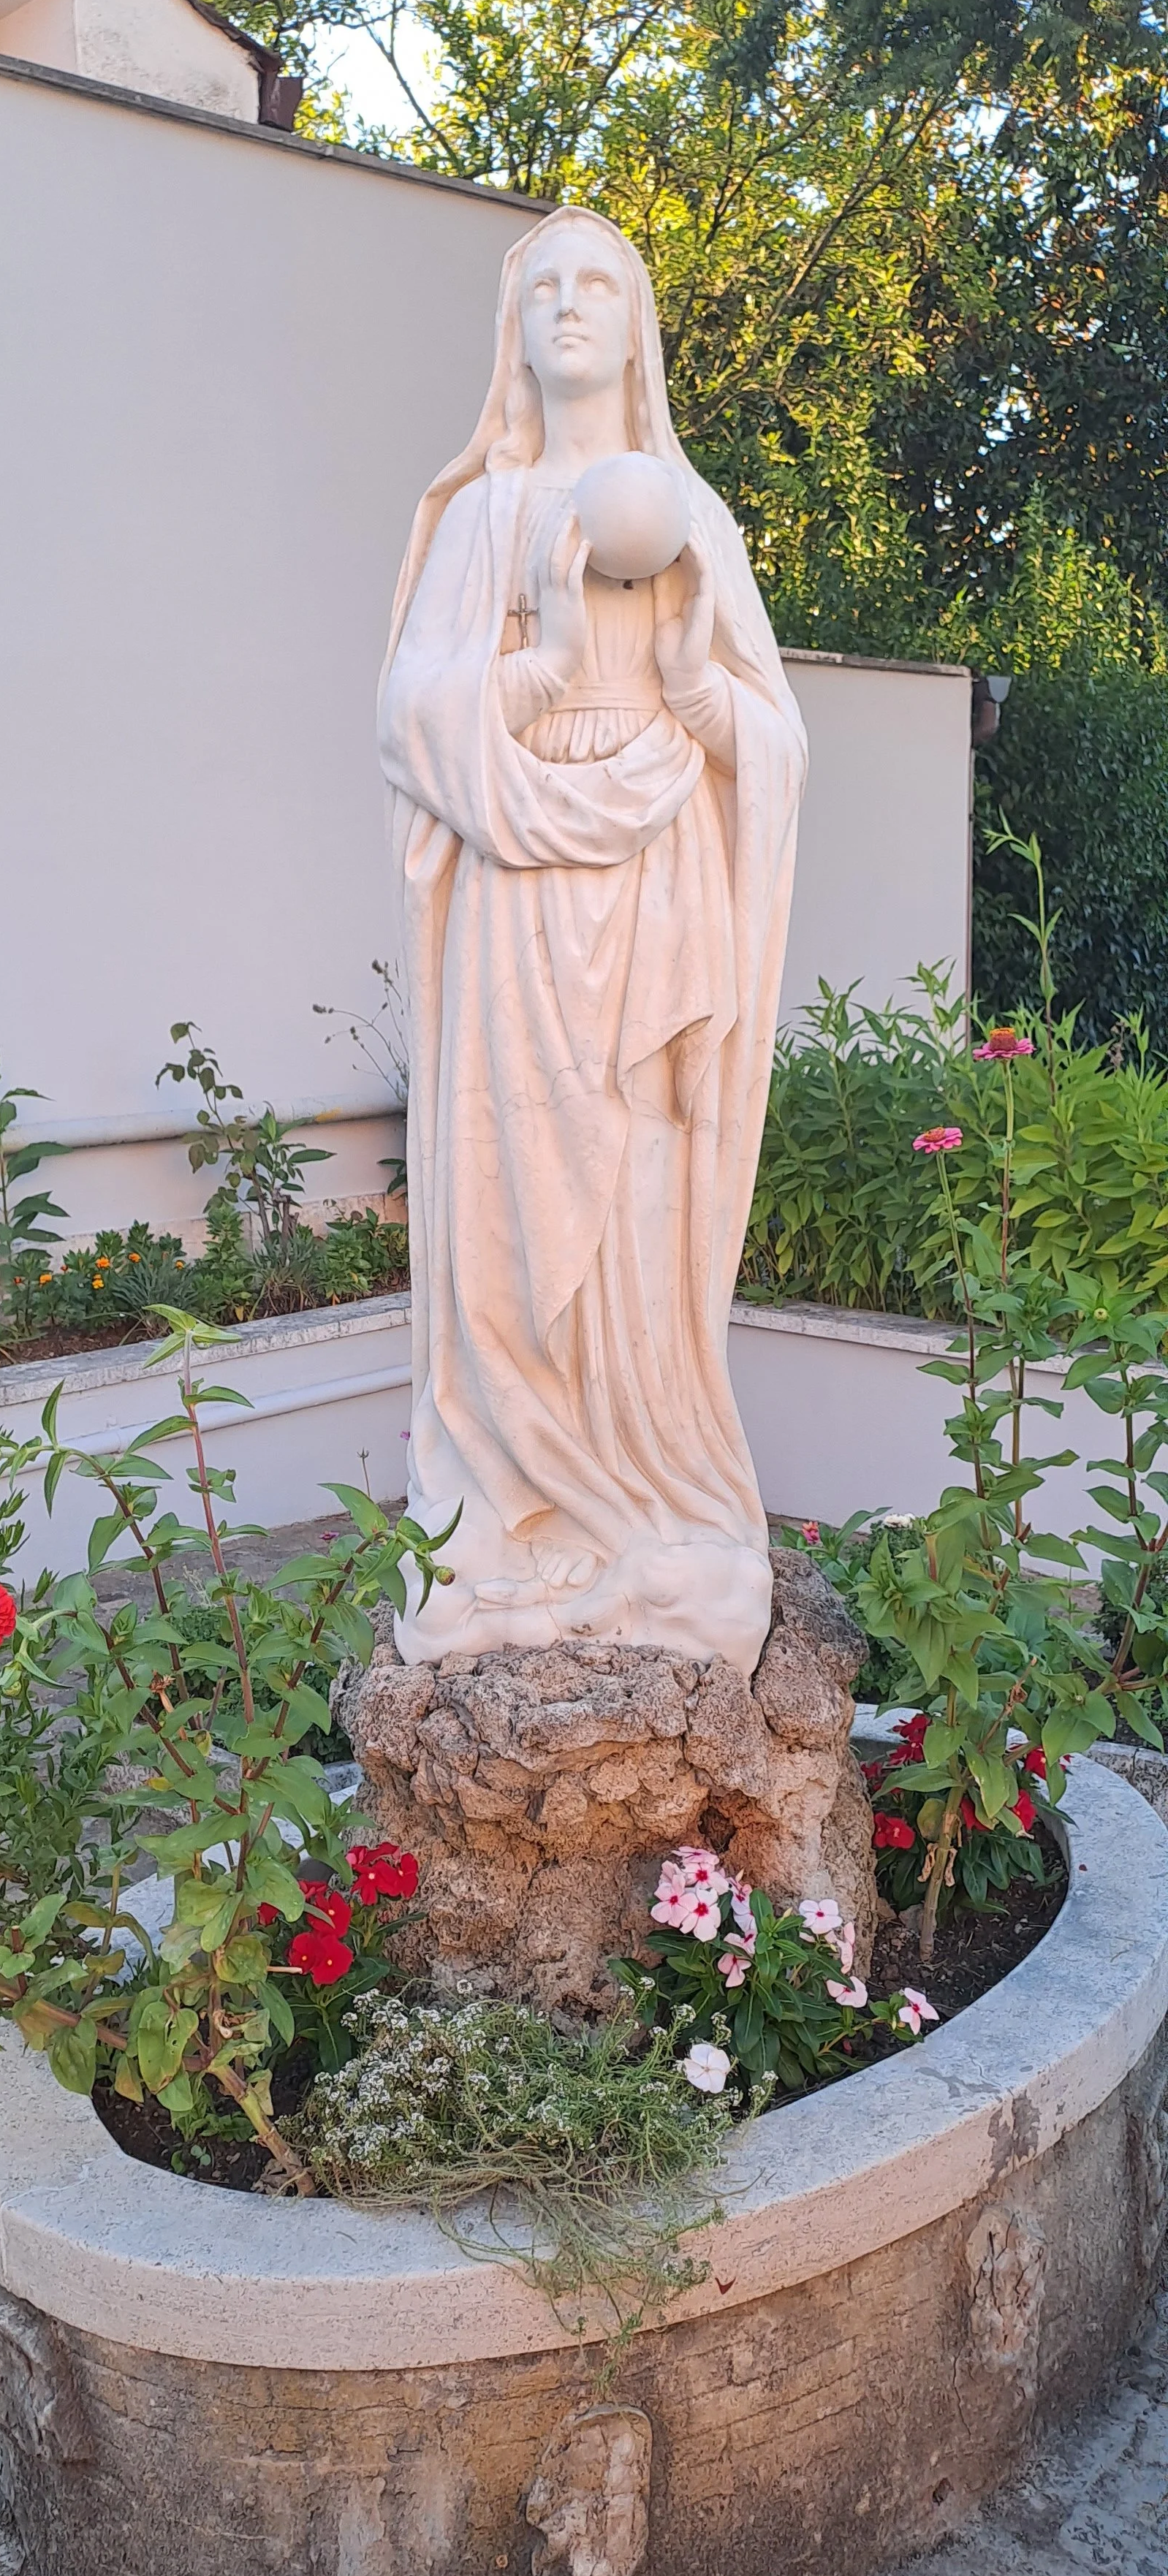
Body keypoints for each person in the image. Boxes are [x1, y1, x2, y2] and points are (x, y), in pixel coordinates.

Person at [378, 207, 806, 1671]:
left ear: (638, 328)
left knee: (638, 1194)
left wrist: (689, 686)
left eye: (597, 286)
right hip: (514, 898)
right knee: (506, 1211)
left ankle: (646, 1510)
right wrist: (549, 665)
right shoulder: (482, 516)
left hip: (656, 890)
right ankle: (517, 1514)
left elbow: (776, 742)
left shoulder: (696, 519)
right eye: (542, 286)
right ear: (517, 330)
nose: (567, 306)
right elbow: (408, 717)